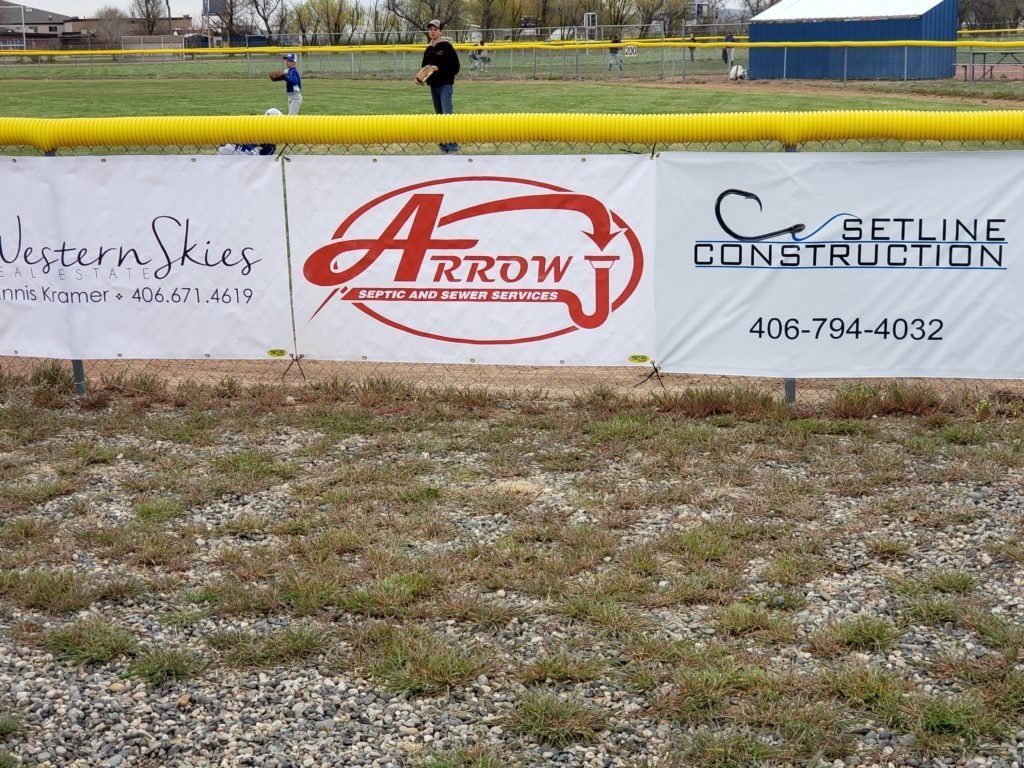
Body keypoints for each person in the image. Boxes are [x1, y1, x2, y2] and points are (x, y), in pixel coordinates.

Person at [421, 19, 460, 154]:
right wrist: (421, 78)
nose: (432, 32)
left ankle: (452, 146)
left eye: (435, 29)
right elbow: (424, 67)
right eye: (430, 29)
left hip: (445, 85)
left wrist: (439, 68)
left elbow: (455, 67)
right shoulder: (428, 49)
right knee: (439, 116)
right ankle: (444, 145)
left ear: (440, 32)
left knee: (447, 116)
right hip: (434, 86)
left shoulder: (446, 46)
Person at [218, 108, 282, 155]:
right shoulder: (267, 136)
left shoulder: (252, 120)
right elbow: (265, 155)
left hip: (226, 147)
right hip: (240, 151)